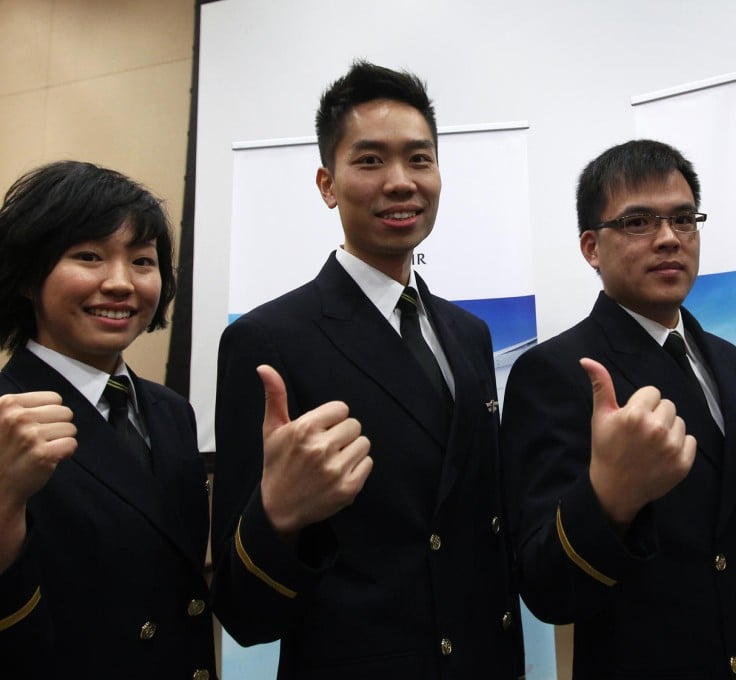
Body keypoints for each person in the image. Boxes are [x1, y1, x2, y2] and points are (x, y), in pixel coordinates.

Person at [210, 60, 524, 679]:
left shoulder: (469, 334)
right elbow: (243, 612)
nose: (402, 182)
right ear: (327, 184)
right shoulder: (266, 340)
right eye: (371, 160)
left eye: (420, 159)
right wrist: (277, 515)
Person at [500, 139, 736, 679]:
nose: (669, 238)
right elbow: (545, 587)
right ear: (591, 247)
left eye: (683, 219)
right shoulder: (557, 373)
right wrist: (610, 501)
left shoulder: (733, 362)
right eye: (638, 223)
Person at [0, 160, 216, 679]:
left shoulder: (170, 411)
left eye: (142, 261)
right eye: (89, 256)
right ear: (29, 276)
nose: (121, 283)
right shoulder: (6, 417)